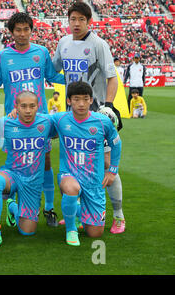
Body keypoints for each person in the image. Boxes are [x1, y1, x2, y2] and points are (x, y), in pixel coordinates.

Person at [52, 1, 126, 234]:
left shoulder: (98, 44)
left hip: (96, 114)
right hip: (73, 114)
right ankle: (81, 213)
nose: (76, 23)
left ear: (88, 21)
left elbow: (111, 77)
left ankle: (118, 215)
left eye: (81, 19)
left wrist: (109, 107)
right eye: (72, 19)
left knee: (105, 164)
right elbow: (53, 69)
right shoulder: (63, 43)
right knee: (74, 163)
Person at [0, 12, 65, 227]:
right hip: (14, 119)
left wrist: (81, 77)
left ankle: (48, 208)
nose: (22, 33)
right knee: (16, 164)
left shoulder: (41, 52)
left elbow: (53, 77)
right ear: (11, 32)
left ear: (31, 31)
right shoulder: (3, 56)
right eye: (18, 29)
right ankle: (13, 206)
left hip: (39, 119)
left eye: (26, 29)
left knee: (44, 161)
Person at [51, 81, 122, 246]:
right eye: (76, 99)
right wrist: (13, 114)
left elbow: (116, 144)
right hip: (69, 174)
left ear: (91, 100)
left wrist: (112, 171)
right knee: (71, 188)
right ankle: (71, 230)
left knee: (95, 234)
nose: (81, 103)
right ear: (69, 101)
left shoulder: (102, 122)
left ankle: (77, 213)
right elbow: (35, 119)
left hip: (93, 181)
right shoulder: (60, 119)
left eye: (85, 99)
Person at [0, 90, 57, 249]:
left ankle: (12, 206)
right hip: (12, 174)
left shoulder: (47, 122)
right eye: (23, 106)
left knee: (27, 231)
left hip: (33, 181)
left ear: (38, 106)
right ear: (16, 107)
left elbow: (67, 125)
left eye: (32, 106)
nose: (28, 110)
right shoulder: (5, 122)